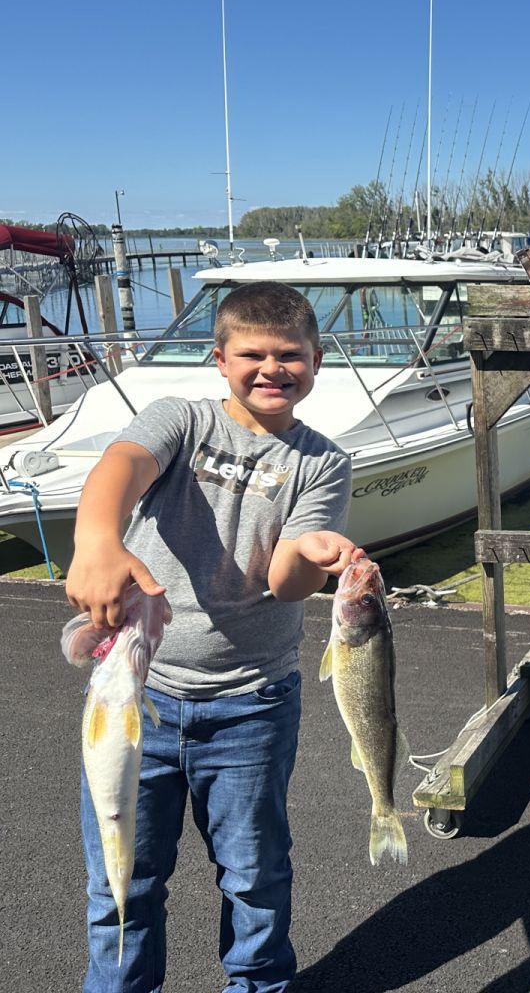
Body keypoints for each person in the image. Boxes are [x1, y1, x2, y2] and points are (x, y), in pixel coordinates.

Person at [68, 281, 358, 992]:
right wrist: (95, 540)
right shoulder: (183, 421)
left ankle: (257, 984)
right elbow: (121, 468)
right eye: (252, 353)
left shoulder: (322, 462)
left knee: (255, 877)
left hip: (252, 703)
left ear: (316, 361)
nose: (272, 368)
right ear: (219, 358)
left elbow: (288, 582)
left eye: (289, 355)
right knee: (121, 878)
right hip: (139, 698)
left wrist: (313, 556)